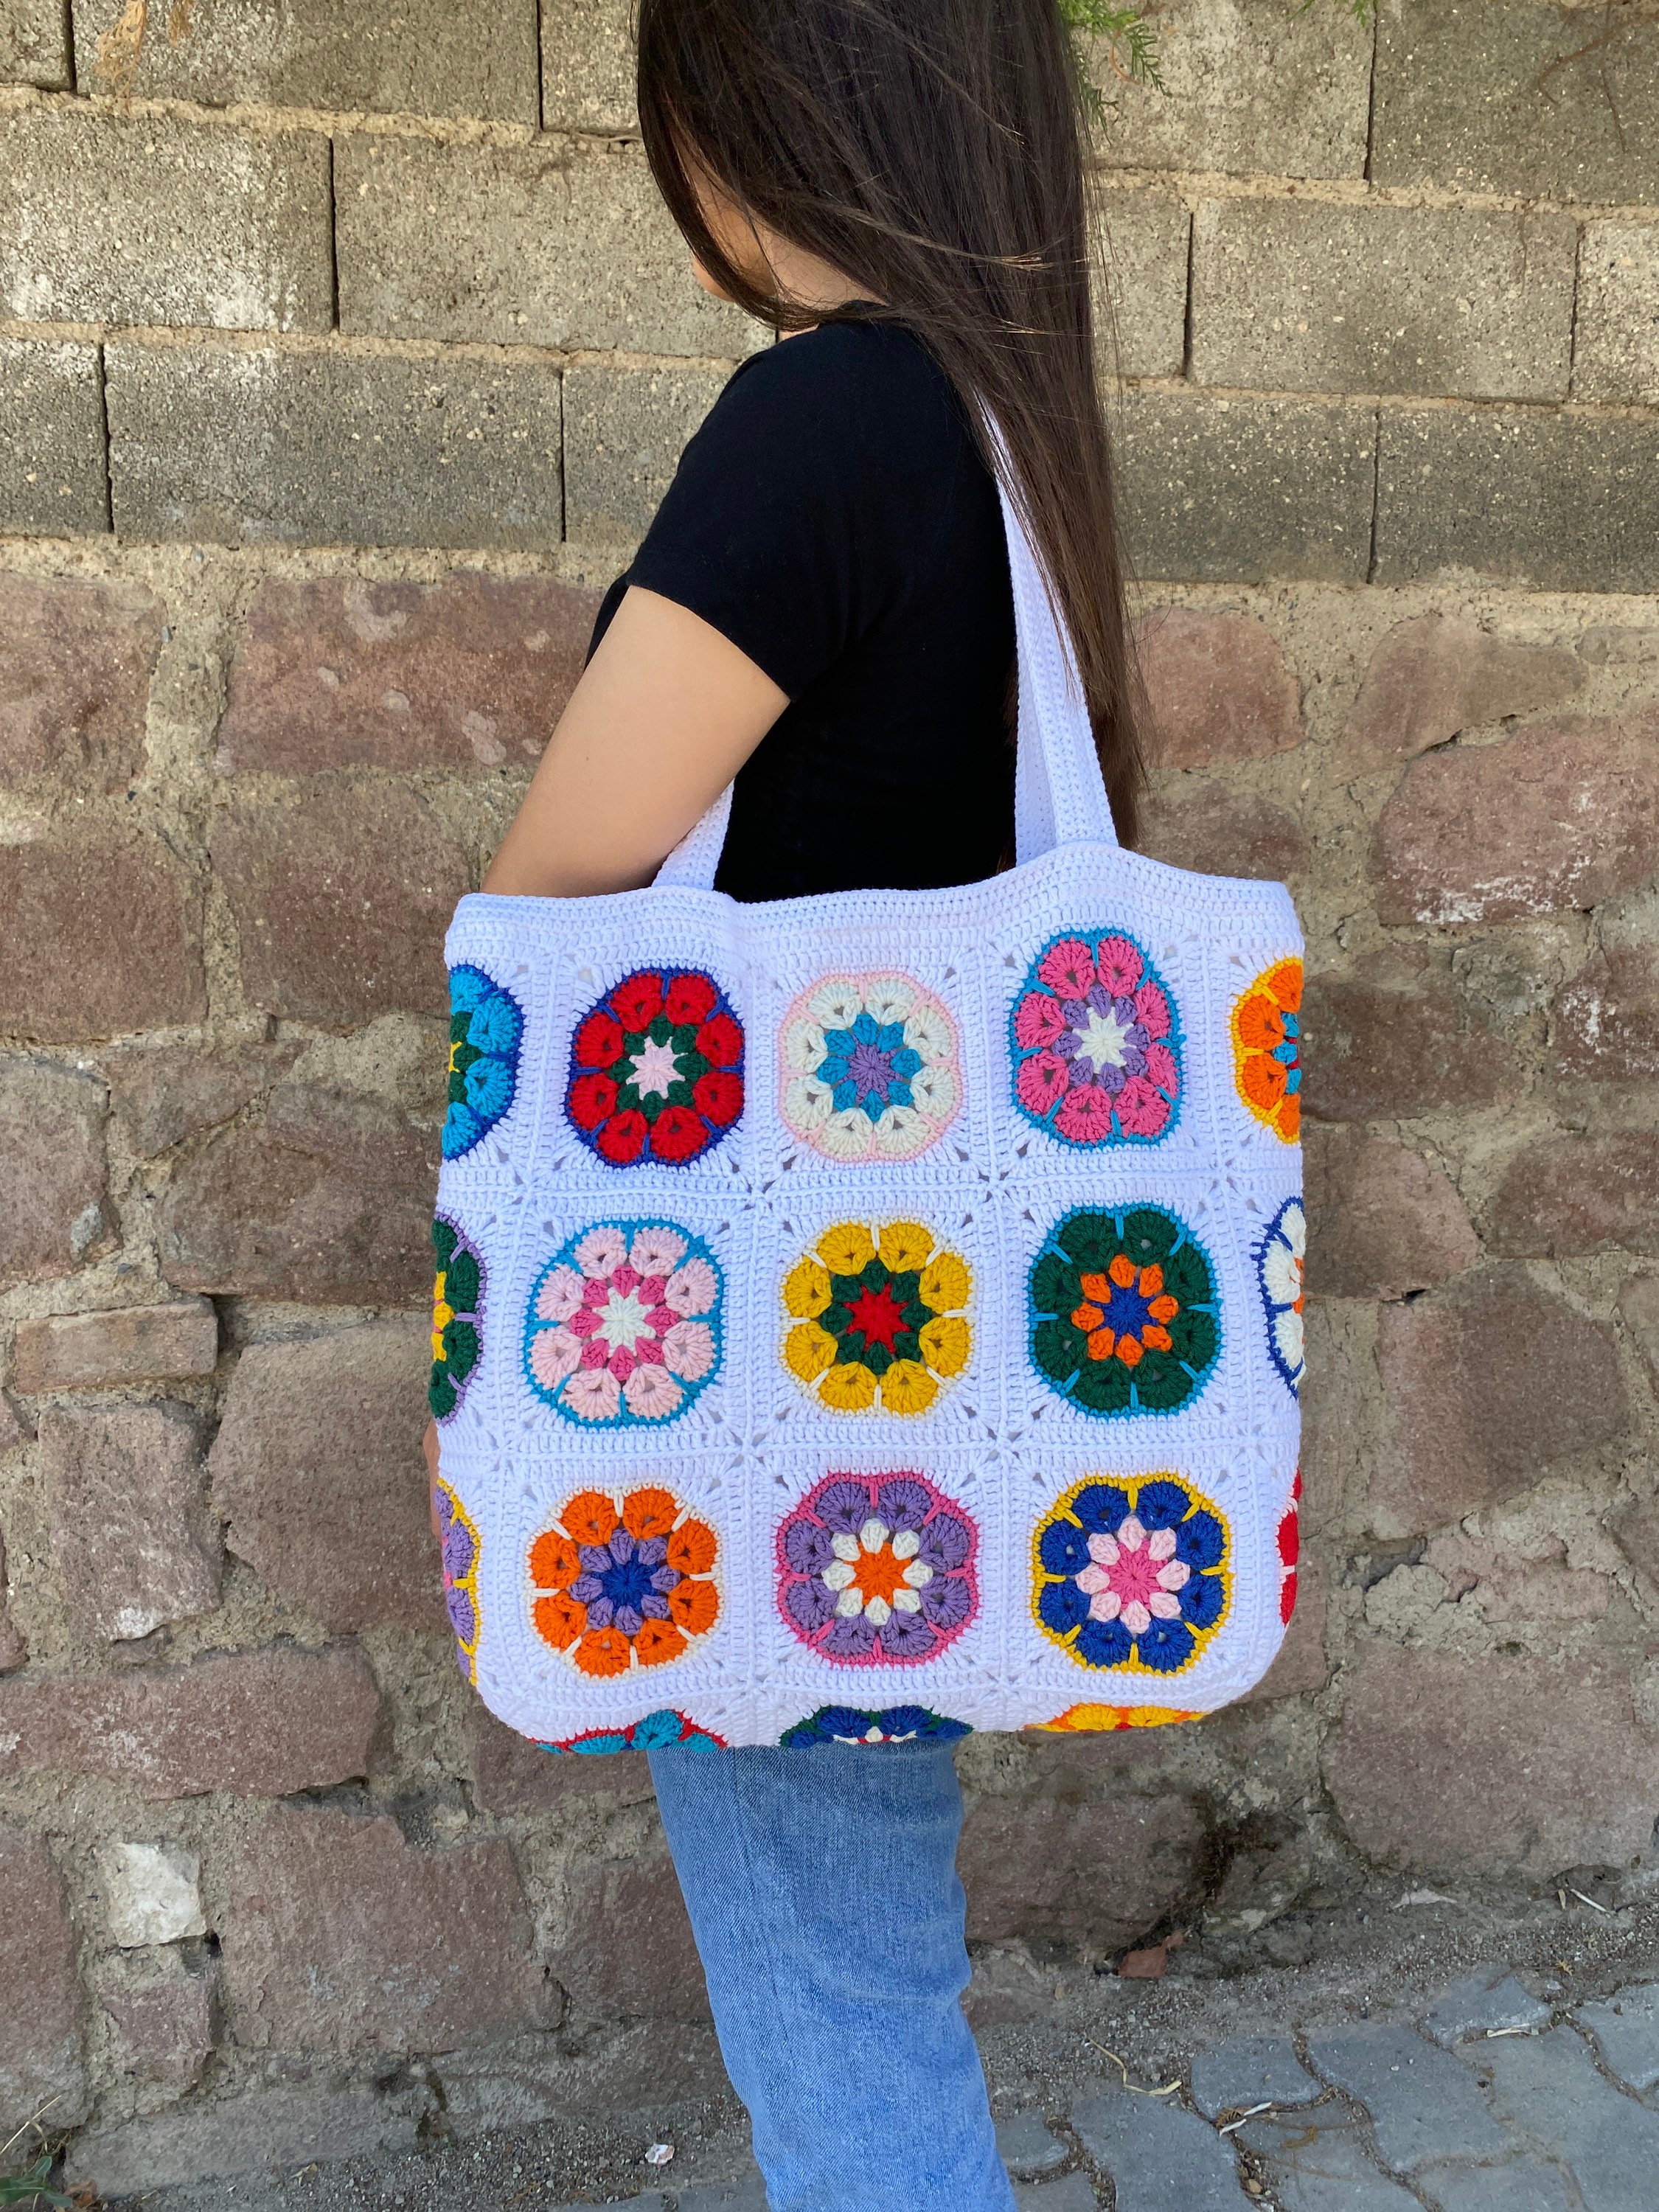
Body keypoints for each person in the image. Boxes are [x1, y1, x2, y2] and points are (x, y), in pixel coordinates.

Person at [425, 2, 1145, 2204]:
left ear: (766, 93)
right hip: (928, 1347)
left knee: (837, 2012)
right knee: (865, 1957)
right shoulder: (1006, 435)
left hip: (769, 1362)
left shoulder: (823, 424)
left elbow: (556, 885)